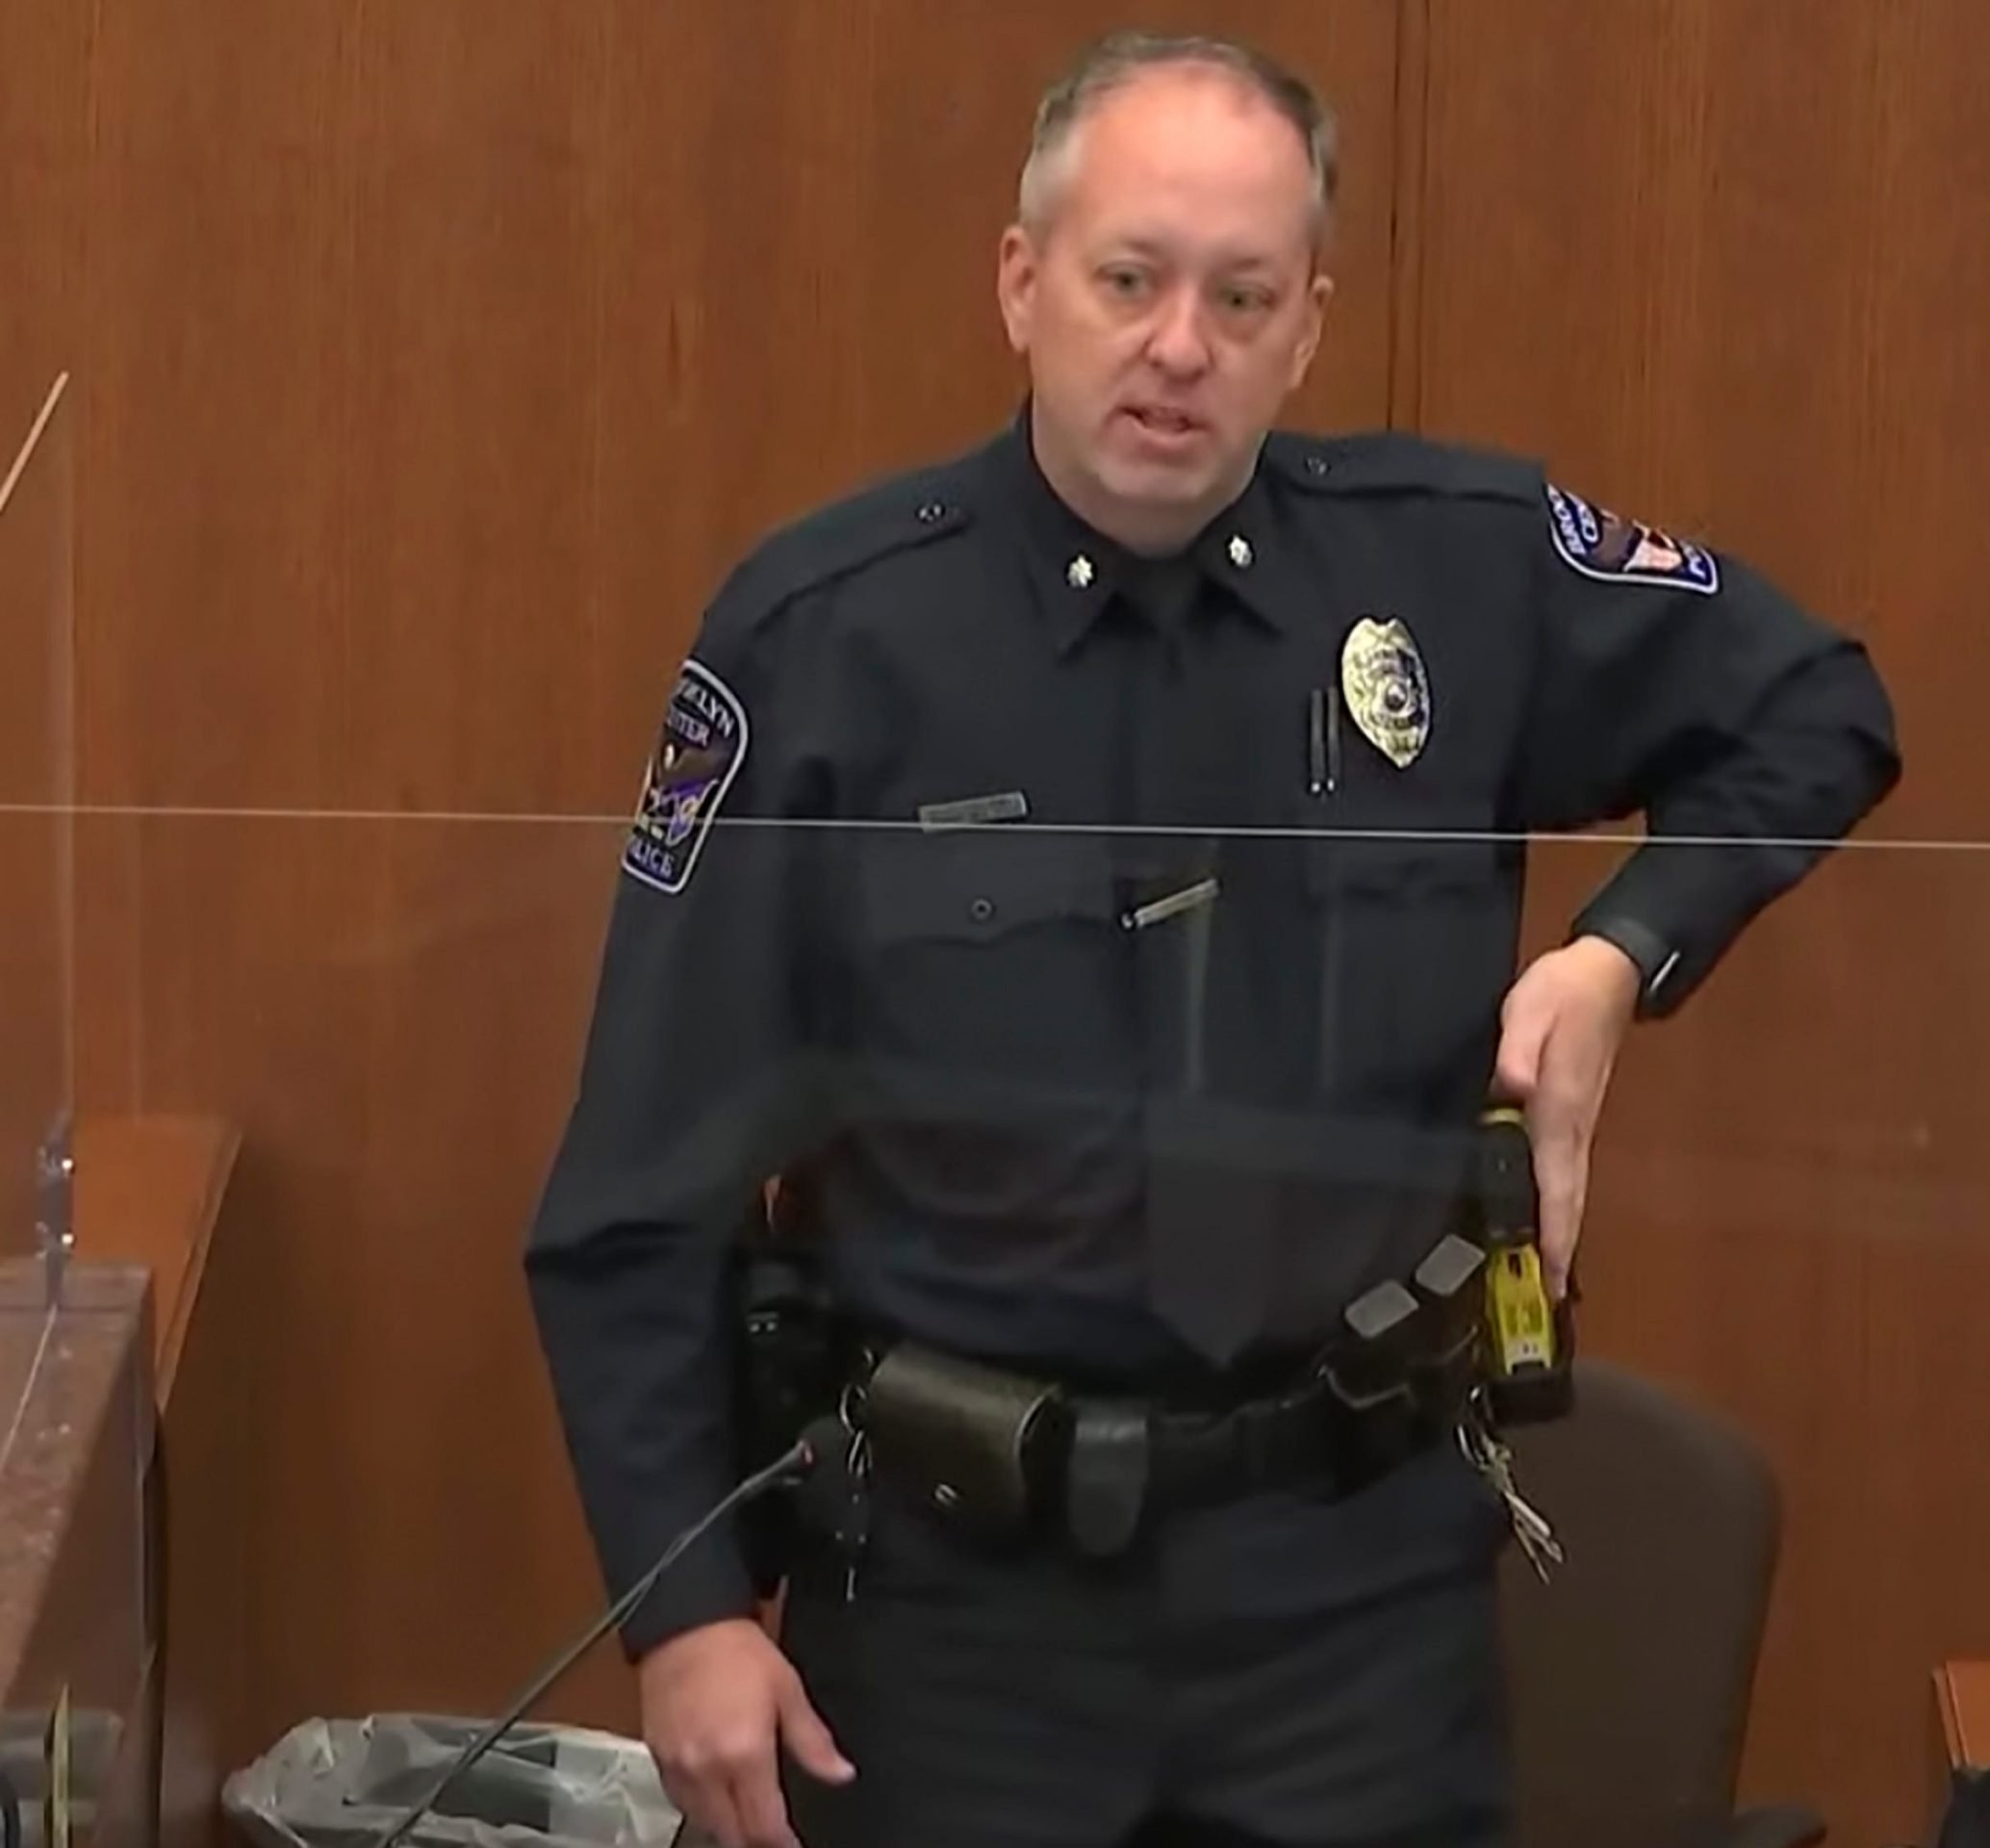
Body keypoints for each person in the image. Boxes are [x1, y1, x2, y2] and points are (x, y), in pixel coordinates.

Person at [524, 29, 1900, 1848]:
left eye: (1243, 296)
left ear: (1309, 325)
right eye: (1130, 279)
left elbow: (1819, 706)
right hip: (959, 1616)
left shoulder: (1454, 575)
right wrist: (686, 1613)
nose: (1182, 345)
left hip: (1354, 1602)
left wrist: (1617, 957)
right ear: (1023, 286)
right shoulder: (827, 643)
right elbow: (636, 1201)